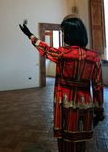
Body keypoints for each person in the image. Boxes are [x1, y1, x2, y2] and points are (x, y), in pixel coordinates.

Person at [19, 16, 105, 152]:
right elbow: (98, 86)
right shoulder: (94, 57)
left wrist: (29, 34)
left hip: (64, 105)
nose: (64, 35)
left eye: (64, 32)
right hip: (84, 106)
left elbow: (45, 48)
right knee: (80, 143)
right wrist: (99, 112)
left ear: (70, 34)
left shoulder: (62, 54)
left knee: (64, 143)